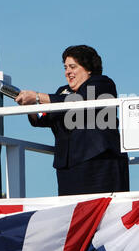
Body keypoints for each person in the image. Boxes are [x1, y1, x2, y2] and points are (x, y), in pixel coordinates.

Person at [15, 45, 130, 196]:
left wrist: (37, 96)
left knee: (105, 214)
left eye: (72, 67)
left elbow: (78, 101)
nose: (67, 72)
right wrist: (29, 107)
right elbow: (42, 120)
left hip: (100, 164)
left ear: (88, 68)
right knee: (73, 216)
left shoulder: (102, 84)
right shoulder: (62, 92)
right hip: (68, 168)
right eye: (65, 67)